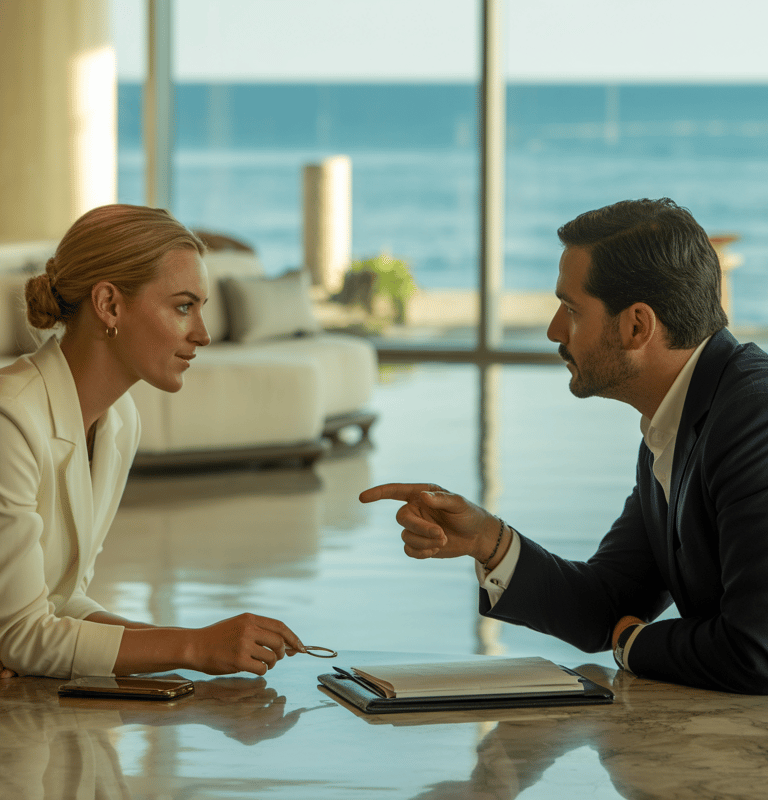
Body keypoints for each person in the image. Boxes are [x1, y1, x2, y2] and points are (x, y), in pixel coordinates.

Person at [361, 197, 768, 694]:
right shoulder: (679, 418)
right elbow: (608, 604)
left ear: (637, 325)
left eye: (571, 309)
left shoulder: (754, 420)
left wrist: (632, 646)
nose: (555, 330)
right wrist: (490, 540)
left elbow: (755, 650)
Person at [0, 204, 305, 680]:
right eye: (184, 307)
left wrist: (191, 647)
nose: (202, 334)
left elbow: (61, 600)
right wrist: (192, 647)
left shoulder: (120, 420)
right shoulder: (11, 419)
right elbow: (21, 635)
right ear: (110, 305)